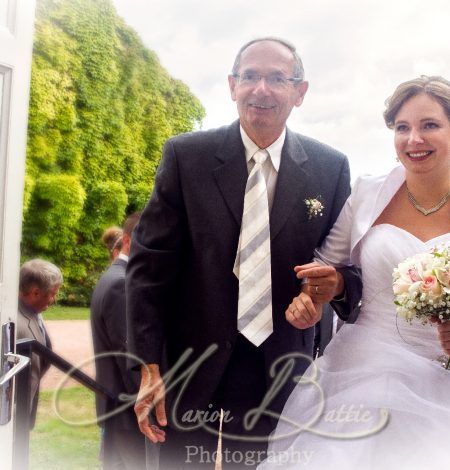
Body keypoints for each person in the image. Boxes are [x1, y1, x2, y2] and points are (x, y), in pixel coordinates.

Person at [261, 76, 450, 469]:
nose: (413, 139)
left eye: (429, 125)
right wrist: (310, 297)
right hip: (361, 372)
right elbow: (326, 267)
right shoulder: (368, 194)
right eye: (402, 127)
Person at [125, 37, 359, 469]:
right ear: (233, 85)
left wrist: (323, 293)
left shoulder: (332, 168)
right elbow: (148, 268)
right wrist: (147, 363)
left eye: (277, 78)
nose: (261, 89)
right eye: (250, 76)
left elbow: (344, 268)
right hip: (187, 364)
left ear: (300, 92)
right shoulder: (186, 156)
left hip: (279, 368)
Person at [91, 212, 145, 469]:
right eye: (144, 239)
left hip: (116, 408)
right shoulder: (121, 284)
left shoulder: (115, 277)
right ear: (126, 240)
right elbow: (129, 357)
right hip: (126, 411)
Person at [16, 258, 63, 429]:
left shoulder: (32, 311)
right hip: (14, 418)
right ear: (35, 292)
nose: (54, 299)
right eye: (52, 293)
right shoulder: (16, 323)